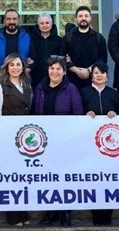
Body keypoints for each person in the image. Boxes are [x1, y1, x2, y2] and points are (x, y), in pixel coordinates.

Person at [32, 56, 83, 227]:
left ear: (64, 71)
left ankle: (65, 211)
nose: (55, 72)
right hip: (44, 142)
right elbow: (34, 112)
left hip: (65, 140)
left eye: (58, 69)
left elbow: (78, 112)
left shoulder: (71, 89)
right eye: (52, 68)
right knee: (47, 177)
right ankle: (51, 211)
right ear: (48, 70)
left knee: (64, 177)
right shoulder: (40, 88)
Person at [0, 53, 32, 226]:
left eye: (18, 64)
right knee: (11, 176)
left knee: (23, 177)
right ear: (6, 68)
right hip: (8, 137)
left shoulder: (27, 84)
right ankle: (13, 215)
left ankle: (24, 213)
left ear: (23, 67)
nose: (15, 68)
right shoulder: (0, 86)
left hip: (25, 136)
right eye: (12, 65)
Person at [81, 61, 119, 226]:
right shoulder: (84, 92)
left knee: (109, 178)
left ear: (107, 76)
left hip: (110, 146)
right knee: (93, 179)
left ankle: (108, 214)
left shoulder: (113, 93)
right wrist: (86, 114)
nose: (99, 75)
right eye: (96, 72)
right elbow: (78, 113)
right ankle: (96, 214)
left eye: (102, 73)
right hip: (90, 144)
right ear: (91, 76)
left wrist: (114, 114)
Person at [61, 6, 108, 89]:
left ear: (90, 18)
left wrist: (89, 70)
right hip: (72, 83)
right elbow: (62, 58)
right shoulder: (68, 38)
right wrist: (77, 71)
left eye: (86, 16)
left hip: (93, 82)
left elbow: (103, 59)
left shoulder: (99, 38)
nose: (83, 18)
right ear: (76, 18)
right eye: (80, 16)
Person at [0, 9, 34, 84]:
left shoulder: (27, 37)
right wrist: (1, 75)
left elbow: (33, 59)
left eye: (14, 19)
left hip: (23, 82)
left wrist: (22, 75)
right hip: (0, 81)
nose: (11, 21)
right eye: (8, 19)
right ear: (4, 21)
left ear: (18, 21)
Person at [29, 13, 63, 86]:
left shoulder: (59, 40)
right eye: (42, 23)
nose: (44, 25)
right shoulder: (31, 40)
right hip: (35, 78)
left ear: (52, 24)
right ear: (38, 25)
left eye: (47, 23)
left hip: (54, 78)